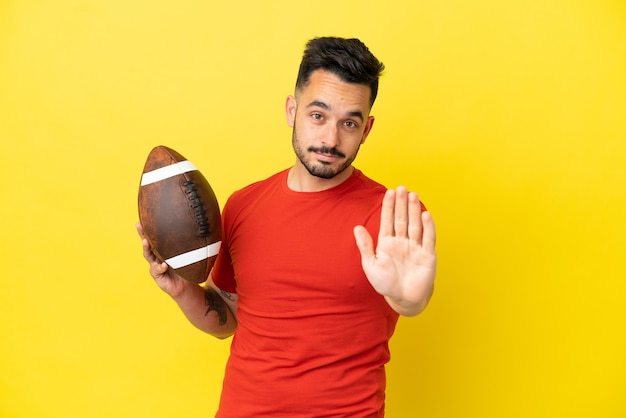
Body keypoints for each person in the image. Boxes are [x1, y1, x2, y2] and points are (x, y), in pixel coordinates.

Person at [137, 36, 437, 417]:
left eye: (349, 122)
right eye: (318, 115)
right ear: (292, 110)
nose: (331, 138)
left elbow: (409, 299)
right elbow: (226, 319)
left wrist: (409, 297)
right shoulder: (243, 205)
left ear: (367, 129)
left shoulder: (392, 216)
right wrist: (181, 290)